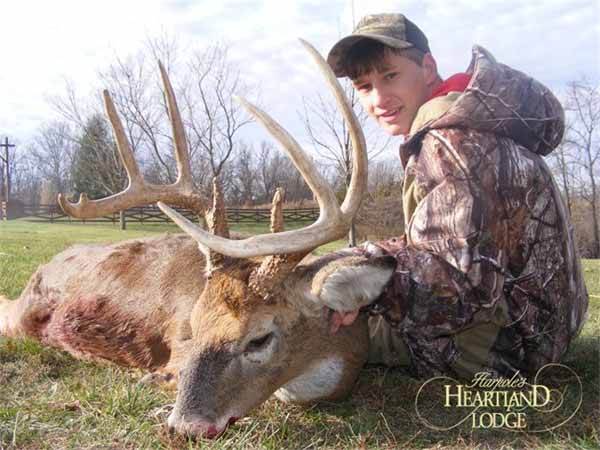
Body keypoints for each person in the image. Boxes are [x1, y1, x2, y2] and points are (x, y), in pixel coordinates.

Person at [324, 13, 588, 378]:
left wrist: (363, 281)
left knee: (323, 330)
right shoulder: (466, 124)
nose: (379, 98)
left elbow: (461, 282)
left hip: (508, 348)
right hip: (543, 329)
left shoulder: (449, 141)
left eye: (390, 76)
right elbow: (446, 242)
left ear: (427, 67)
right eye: (364, 87)